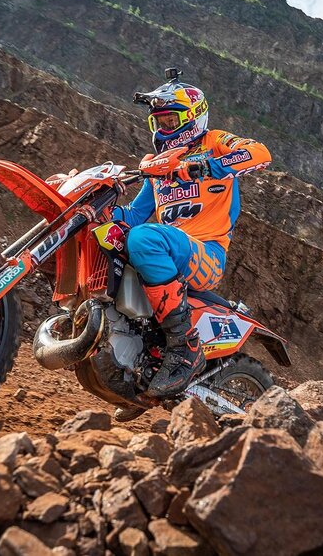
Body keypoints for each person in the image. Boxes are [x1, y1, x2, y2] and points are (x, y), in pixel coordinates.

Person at [115, 69, 271, 406]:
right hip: (170, 248)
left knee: (143, 239)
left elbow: (259, 152)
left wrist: (212, 165)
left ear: (194, 118)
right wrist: (98, 212)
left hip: (207, 255)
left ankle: (184, 348)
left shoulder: (214, 141)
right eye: (159, 123)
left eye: (171, 120)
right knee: (111, 237)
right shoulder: (160, 169)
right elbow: (132, 215)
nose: (165, 129)